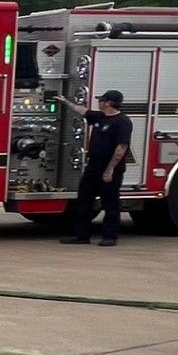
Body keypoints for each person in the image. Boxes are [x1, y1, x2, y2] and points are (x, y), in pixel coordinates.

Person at [62, 89, 133, 247]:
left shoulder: (123, 122)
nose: (99, 102)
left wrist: (110, 170)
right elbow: (83, 111)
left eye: (101, 99)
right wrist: (65, 101)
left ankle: (110, 236)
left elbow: (121, 148)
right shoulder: (100, 117)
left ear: (108, 102)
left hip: (110, 168)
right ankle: (81, 235)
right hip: (93, 166)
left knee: (110, 203)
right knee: (84, 201)